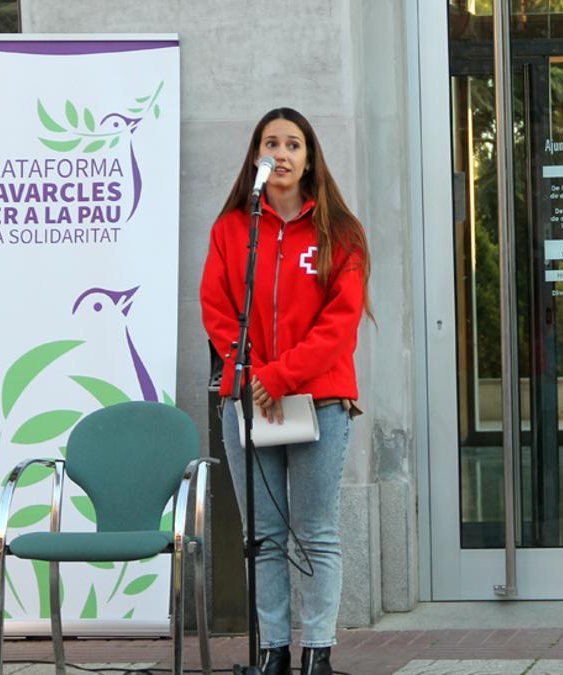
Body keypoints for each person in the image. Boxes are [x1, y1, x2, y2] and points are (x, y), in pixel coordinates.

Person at [201, 107, 370, 675]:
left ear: (309, 157)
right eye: (270, 143)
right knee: (264, 536)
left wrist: (276, 377)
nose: (281, 153)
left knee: (316, 531)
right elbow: (217, 310)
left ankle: (317, 654)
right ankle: (273, 652)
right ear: (256, 157)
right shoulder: (231, 230)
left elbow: (338, 326)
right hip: (247, 399)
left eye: (292, 143)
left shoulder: (341, 234)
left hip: (319, 400)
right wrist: (249, 374)